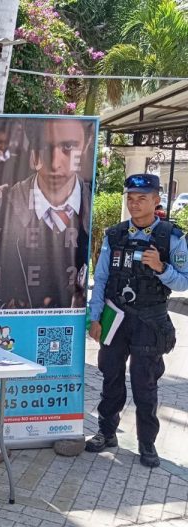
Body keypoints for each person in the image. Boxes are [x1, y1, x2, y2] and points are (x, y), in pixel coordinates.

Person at [86, 174, 188, 468]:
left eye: (142, 198)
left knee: (145, 384)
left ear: (156, 201)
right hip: (115, 319)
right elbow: (101, 278)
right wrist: (95, 318)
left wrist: (161, 267)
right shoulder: (115, 235)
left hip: (150, 322)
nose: (134, 203)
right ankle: (106, 432)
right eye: (130, 198)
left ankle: (147, 444)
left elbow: (183, 282)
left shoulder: (171, 238)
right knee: (110, 378)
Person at [0, 118, 94, 310]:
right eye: (46, 148)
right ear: (34, 154)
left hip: (72, 325)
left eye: (68, 147)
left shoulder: (94, 212)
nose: (55, 163)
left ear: (85, 147)